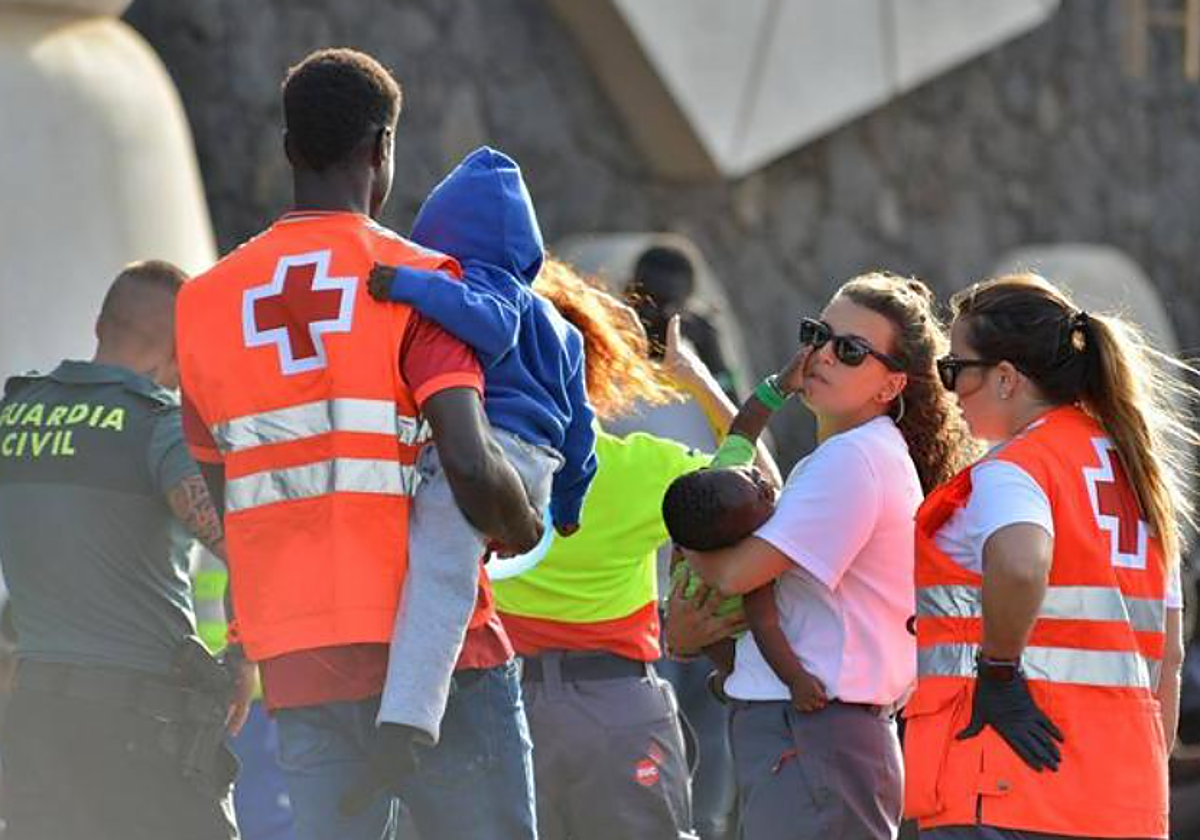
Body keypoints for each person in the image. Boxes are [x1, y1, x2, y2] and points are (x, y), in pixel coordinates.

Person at [175, 48, 543, 840]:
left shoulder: (203, 306)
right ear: (382, 148)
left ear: (287, 149)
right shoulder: (418, 281)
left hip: (301, 661)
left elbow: (222, 493)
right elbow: (472, 465)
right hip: (439, 660)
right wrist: (522, 527)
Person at [492, 258, 779, 840]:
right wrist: (696, 377)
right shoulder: (639, 468)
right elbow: (765, 485)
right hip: (617, 710)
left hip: (499, 709)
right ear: (593, 368)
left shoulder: (470, 468)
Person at [904, 273, 1191, 840]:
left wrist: (1000, 673)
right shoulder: (1138, 477)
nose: (949, 390)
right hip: (1121, 802)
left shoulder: (1018, 469)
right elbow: (1171, 656)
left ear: (1006, 378)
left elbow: (1019, 562)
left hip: (1005, 787)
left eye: (955, 370)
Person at [684, 272, 970, 840]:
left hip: (817, 736)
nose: (822, 356)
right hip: (816, 737)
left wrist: (688, 543)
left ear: (891, 387)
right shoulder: (853, 455)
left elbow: (739, 573)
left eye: (850, 350)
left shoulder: (854, 461)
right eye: (818, 335)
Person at [0, 261, 247, 840]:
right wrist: (244, 658)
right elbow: (249, 549)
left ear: (99, 325)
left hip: (34, 722)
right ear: (185, 352)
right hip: (143, 730)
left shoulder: (14, 416)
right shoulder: (160, 427)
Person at [364, 145, 596, 748]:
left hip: (494, 448)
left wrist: (406, 284)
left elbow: (491, 324)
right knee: (442, 557)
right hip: (538, 464)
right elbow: (582, 433)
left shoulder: (485, 284)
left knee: (439, 573)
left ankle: (409, 719)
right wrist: (567, 508)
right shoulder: (566, 331)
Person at [664, 467, 829, 712]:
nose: (765, 484)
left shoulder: (711, 503)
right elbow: (765, 626)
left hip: (696, 626)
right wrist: (796, 680)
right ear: (745, 536)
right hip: (732, 646)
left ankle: (729, 678)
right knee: (737, 655)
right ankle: (731, 678)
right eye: (762, 496)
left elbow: (742, 439)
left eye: (751, 475)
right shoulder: (750, 570)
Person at [627, 244, 738, 398]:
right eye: (653, 301)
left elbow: (732, 403)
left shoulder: (699, 331)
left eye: (669, 303)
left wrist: (710, 353)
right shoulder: (620, 325)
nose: (662, 315)